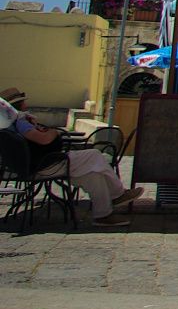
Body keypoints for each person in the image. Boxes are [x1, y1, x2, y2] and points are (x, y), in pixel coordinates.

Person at [2, 87, 144, 227]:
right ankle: (118, 194)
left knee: (94, 176)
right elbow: (43, 140)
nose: (26, 105)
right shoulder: (21, 122)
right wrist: (54, 132)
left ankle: (102, 216)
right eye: (23, 103)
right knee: (94, 155)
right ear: (19, 105)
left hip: (41, 165)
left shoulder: (12, 124)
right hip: (44, 166)